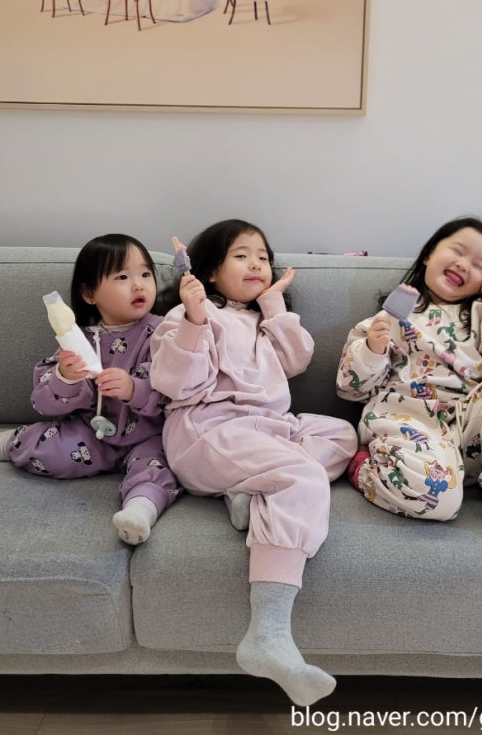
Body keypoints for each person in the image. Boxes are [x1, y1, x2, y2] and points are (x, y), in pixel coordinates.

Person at [150, 219, 358, 706]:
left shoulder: (263, 320)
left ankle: (247, 490)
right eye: (241, 255)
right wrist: (195, 319)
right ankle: (268, 634)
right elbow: (175, 383)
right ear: (210, 271)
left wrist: (274, 305)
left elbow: (297, 361)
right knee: (303, 475)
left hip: (267, 429)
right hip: (208, 430)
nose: (257, 264)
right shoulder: (189, 314)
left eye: (263, 257)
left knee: (343, 435)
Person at [336, 216, 482, 563]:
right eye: (457, 251)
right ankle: (363, 467)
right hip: (406, 423)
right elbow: (349, 389)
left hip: (464, 427)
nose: (463, 264)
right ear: (430, 253)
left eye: (478, 265)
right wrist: (373, 348)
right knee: (442, 500)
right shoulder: (390, 317)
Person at [0, 233, 180, 545]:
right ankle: (13, 443)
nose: (139, 285)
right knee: (54, 451)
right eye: (122, 277)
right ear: (89, 294)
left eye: (145, 274)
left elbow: (177, 384)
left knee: (161, 467)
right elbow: (44, 401)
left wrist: (134, 388)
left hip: (149, 434)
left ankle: (140, 510)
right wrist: (66, 377)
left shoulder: (163, 331)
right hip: (91, 433)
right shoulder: (79, 339)